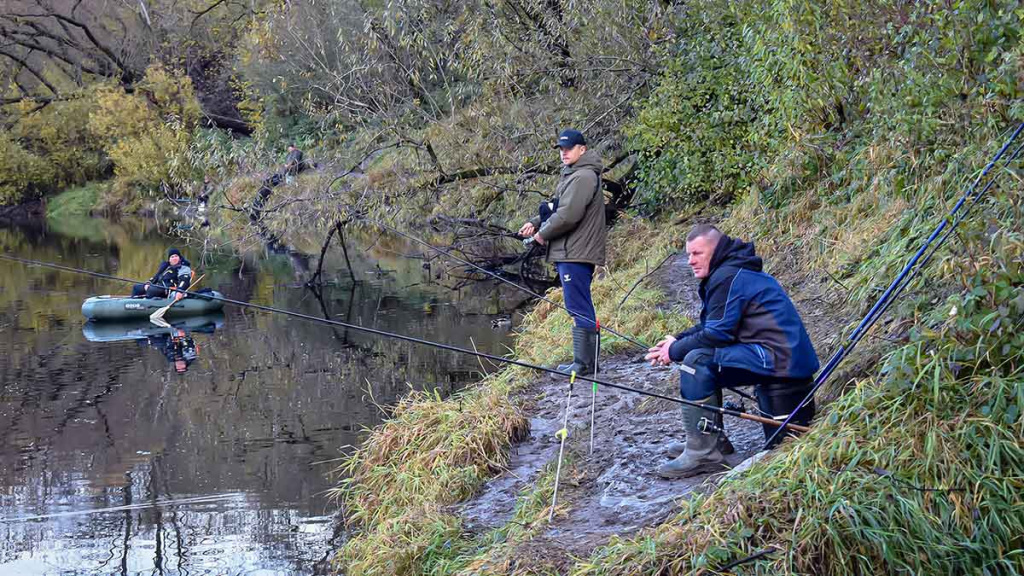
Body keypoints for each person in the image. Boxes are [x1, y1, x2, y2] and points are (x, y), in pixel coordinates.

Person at [645, 224, 819, 478]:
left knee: (697, 361)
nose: (691, 261)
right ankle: (711, 442)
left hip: (781, 358)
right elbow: (712, 325)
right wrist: (676, 342)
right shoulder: (730, 272)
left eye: (697, 254)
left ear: (716, 251)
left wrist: (676, 351)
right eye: (689, 255)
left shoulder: (727, 276)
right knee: (696, 357)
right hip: (776, 354)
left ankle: (704, 453)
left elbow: (717, 335)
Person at [518, 129, 606, 375]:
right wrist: (536, 222)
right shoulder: (573, 175)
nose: (564, 153)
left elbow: (568, 216)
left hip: (577, 251)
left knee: (578, 305)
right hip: (571, 250)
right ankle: (585, 362)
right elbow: (558, 206)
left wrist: (542, 235)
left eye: (569, 148)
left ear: (582, 149)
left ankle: (585, 364)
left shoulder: (584, 177)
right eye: (561, 149)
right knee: (577, 303)